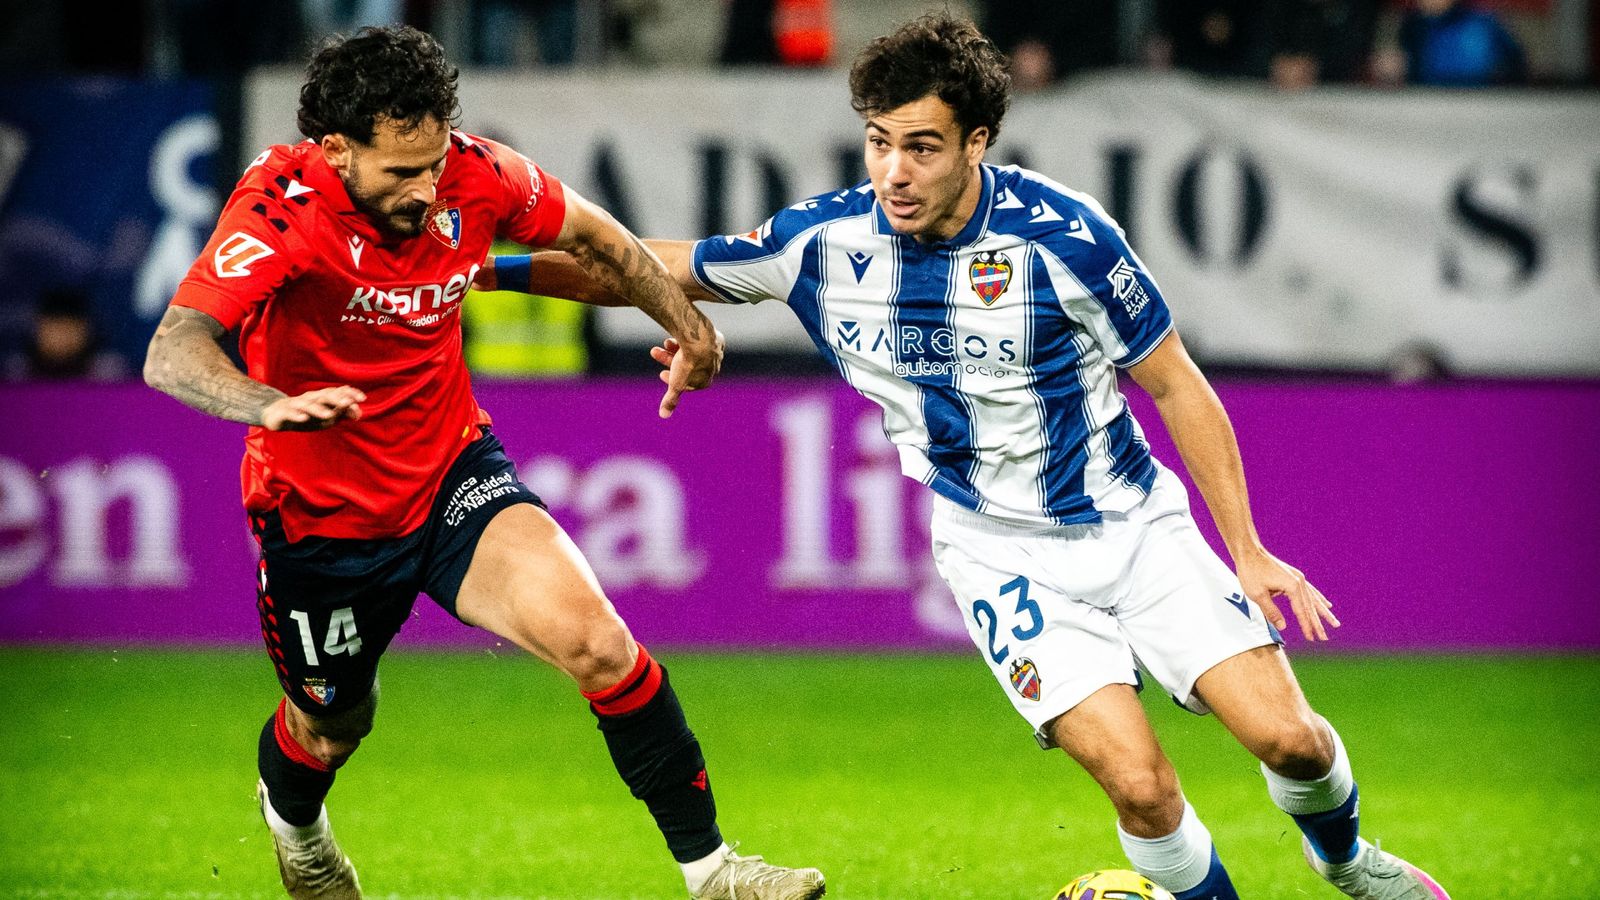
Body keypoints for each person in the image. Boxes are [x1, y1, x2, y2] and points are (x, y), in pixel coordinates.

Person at [484, 14, 1452, 900]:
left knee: (1287, 740)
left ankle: (1347, 860)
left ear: (976, 144)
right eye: (878, 143)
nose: (893, 172)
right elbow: (641, 266)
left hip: (1132, 527)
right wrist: (483, 266)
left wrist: (1244, 546)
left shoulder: (1065, 238)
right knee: (1141, 788)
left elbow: (1175, 385)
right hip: (995, 551)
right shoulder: (822, 245)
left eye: (921, 146)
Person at [142, 25, 824, 900]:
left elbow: (599, 239)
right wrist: (269, 404)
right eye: (399, 172)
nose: (426, 190)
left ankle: (715, 873)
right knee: (333, 726)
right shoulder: (280, 206)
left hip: (450, 474)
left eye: (432, 164)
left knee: (600, 645)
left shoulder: (478, 173)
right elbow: (174, 351)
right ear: (336, 149)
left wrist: (684, 324)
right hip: (320, 517)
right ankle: (297, 827)